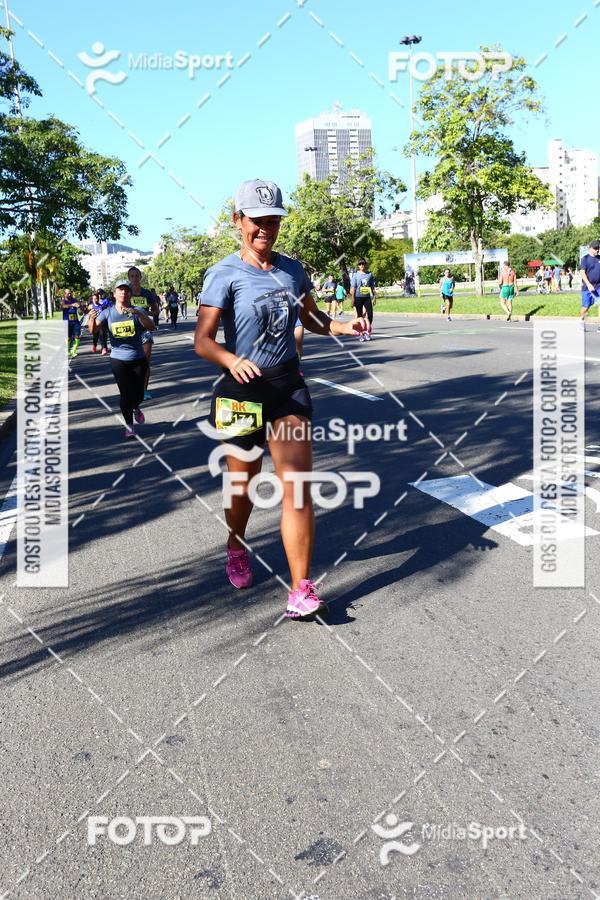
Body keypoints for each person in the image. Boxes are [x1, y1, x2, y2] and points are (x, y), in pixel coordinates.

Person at [194, 178, 369, 620]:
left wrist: (343, 326)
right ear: (238, 220)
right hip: (240, 393)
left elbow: (311, 317)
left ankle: (300, 588)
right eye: (256, 220)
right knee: (243, 486)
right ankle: (236, 544)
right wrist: (230, 360)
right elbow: (203, 340)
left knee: (298, 484)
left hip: (287, 387)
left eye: (272, 221)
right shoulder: (223, 274)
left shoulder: (292, 271)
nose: (265, 229)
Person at [88, 279, 156, 439]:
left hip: (138, 358)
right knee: (125, 393)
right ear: (114, 294)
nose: (123, 292)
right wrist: (91, 318)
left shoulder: (137, 310)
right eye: (120, 289)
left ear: (130, 294)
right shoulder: (108, 313)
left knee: (139, 394)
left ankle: (136, 407)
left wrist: (139, 314)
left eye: (126, 290)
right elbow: (94, 330)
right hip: (118, 359)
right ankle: (129, 426)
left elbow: (151, 327)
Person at [128, 266, 160, 400]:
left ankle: (144, 389)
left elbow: (156, 311)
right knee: (131, 361)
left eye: (137, 275)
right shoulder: (126, 293)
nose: (135, 278)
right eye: (132, 276)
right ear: (129, 278)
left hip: (145, 330)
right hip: (130, 330)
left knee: (145, 361)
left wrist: (145, 313)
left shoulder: (147, 293)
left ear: (140, 277)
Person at [350, 259, 376, 341]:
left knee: (370, 315)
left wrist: (374, 297)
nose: (362, 265)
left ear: (365, 265)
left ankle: (367, 332)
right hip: (358, 297)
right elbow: (353, 288)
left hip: (367, 297)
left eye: (363, 264)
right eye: (360, 264)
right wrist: (352, 299)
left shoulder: (369, 275)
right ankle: (361, 333)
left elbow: (372, 286)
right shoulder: (356, 275)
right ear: (358, 265)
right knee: (360, 316)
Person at [578, 240, 600, 331]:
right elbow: (582, 273)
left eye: (598, 248)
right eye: (595, 248)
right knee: (586, 307)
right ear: (590, 248)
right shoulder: (585, 259)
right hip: (587, 288)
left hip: (598, 287)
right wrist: (588, 284)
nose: (597, 250)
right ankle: (581, 320)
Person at [61, 288, 83, 358]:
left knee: (77, 336)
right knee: (68, 338)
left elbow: (80, 309)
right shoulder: (63, 301)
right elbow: (63, 306)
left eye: (70, 293)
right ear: (65, 294)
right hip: (67, 322)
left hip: (75, 322)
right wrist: (72, 305)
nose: (70, 294)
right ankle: (67, 351)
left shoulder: (74, 300)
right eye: (68, 293)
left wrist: (80, 307)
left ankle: (73, 351)